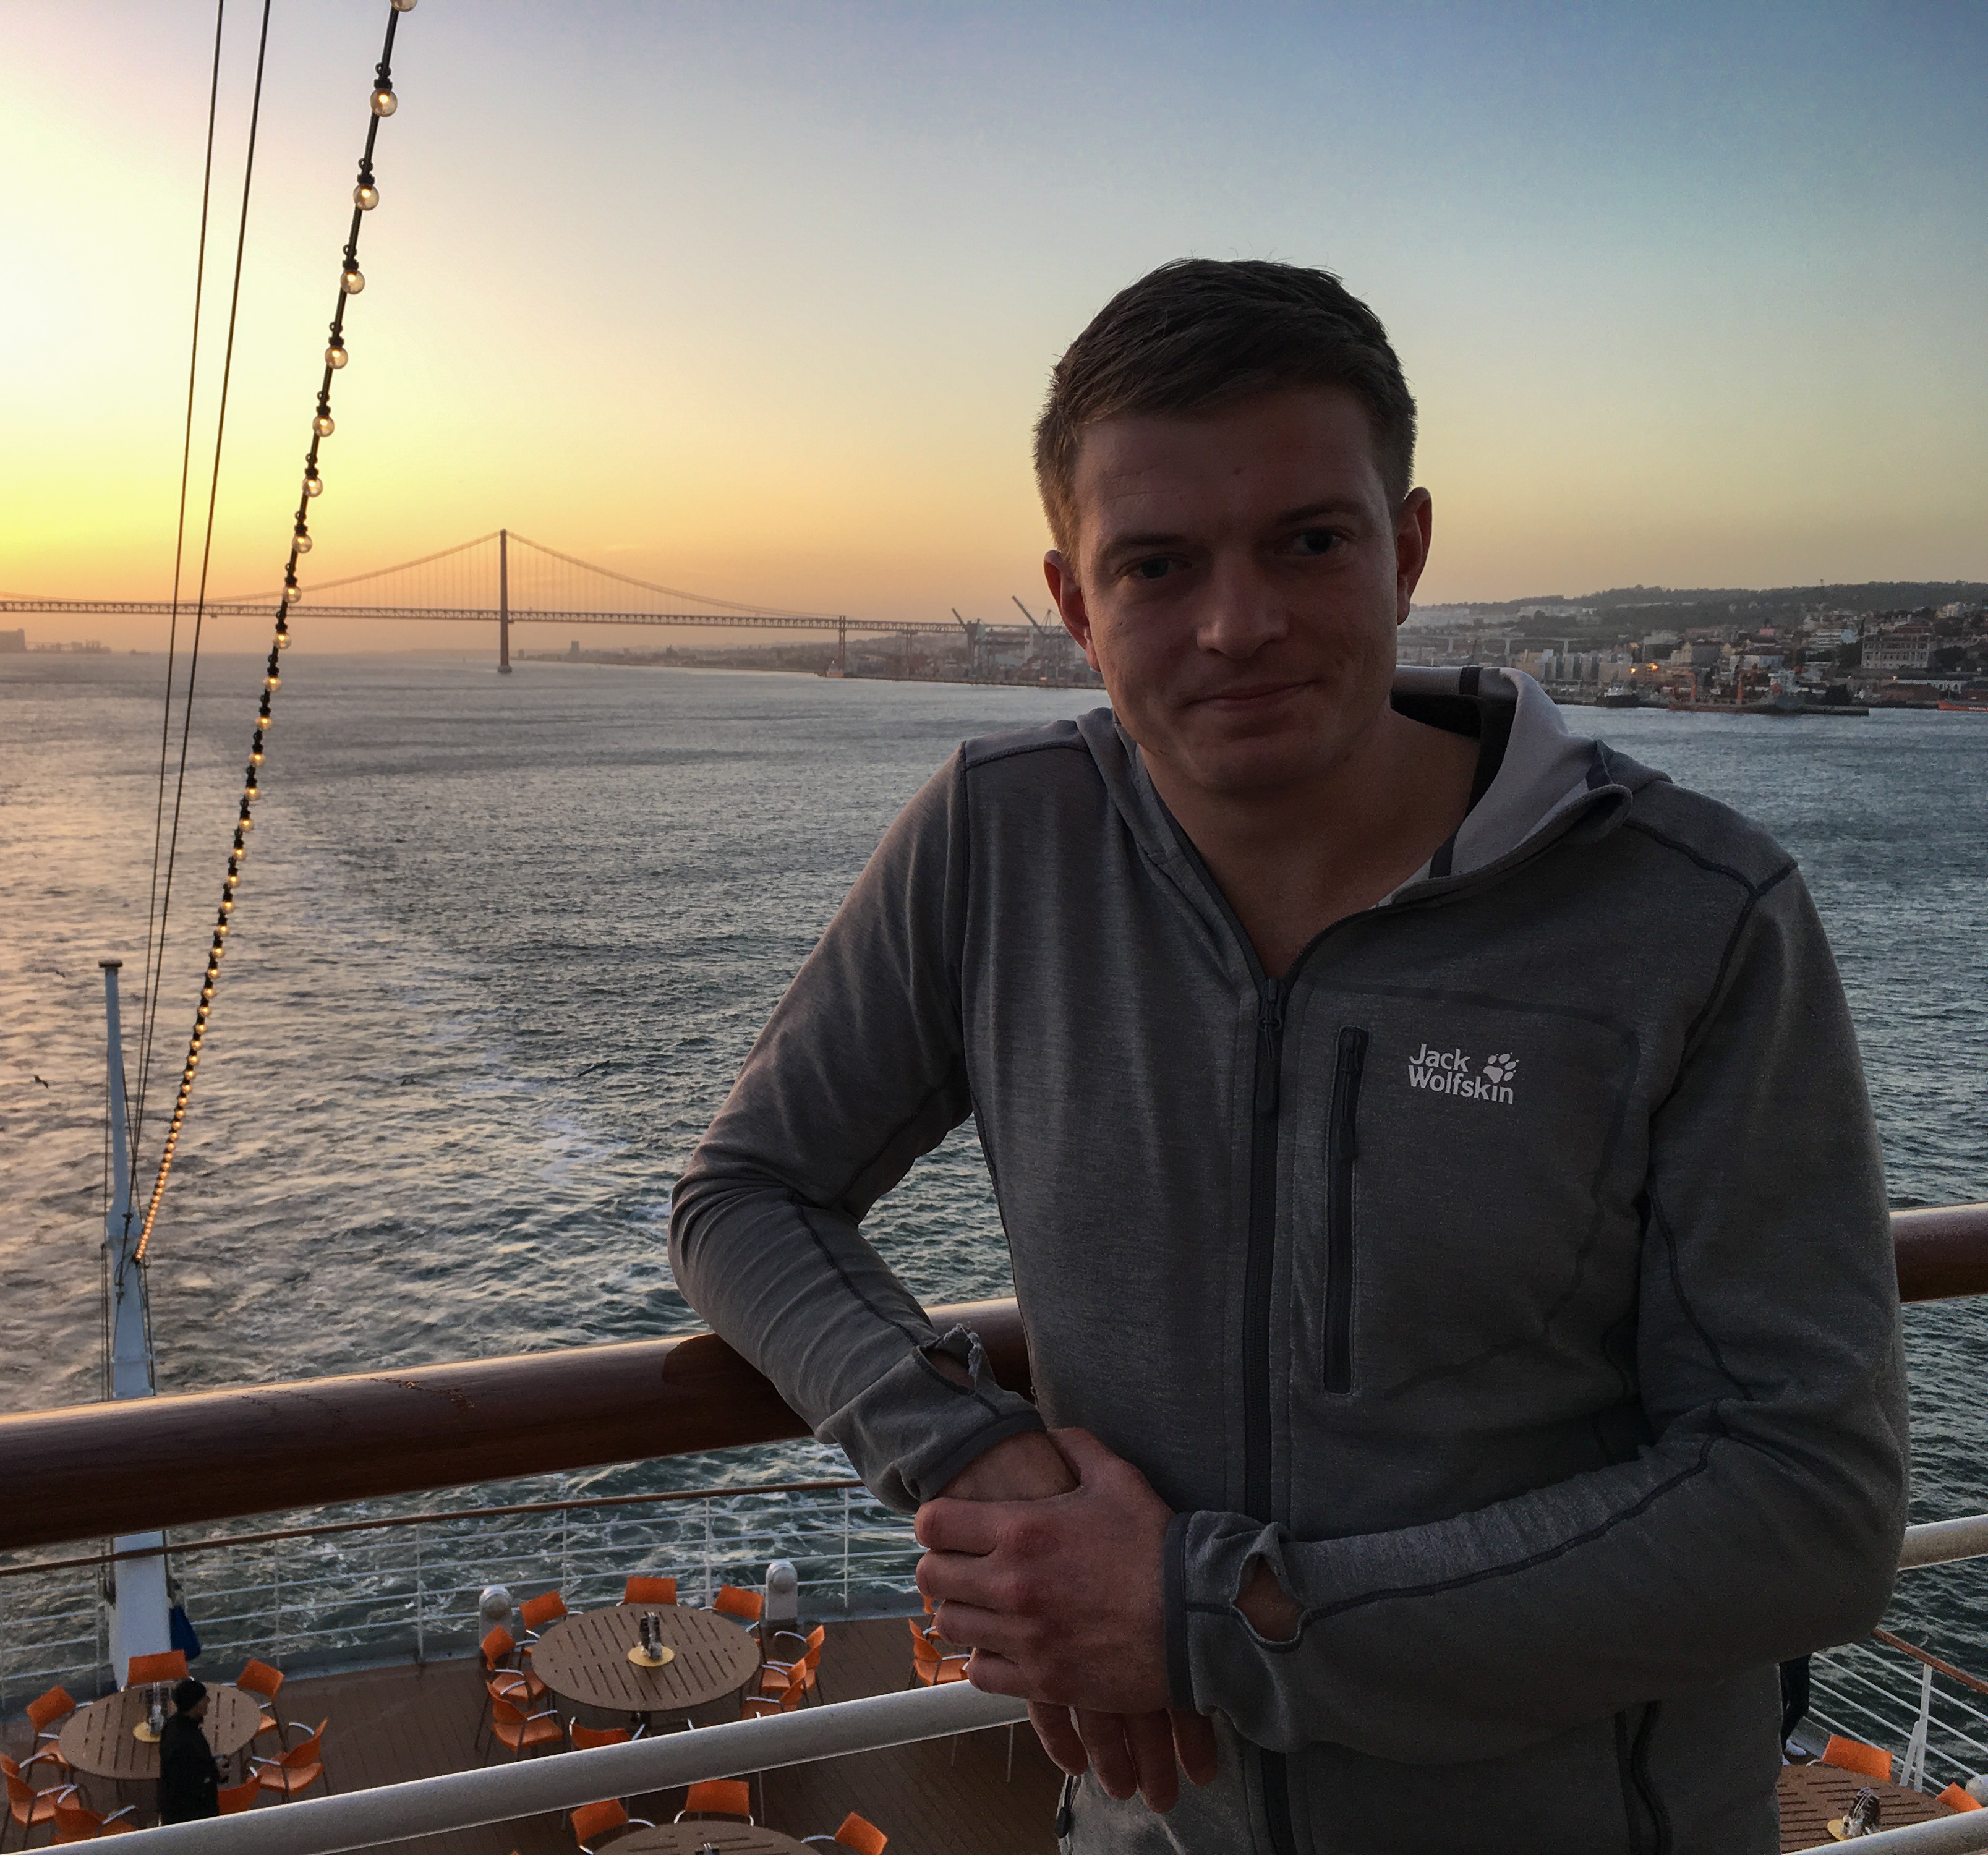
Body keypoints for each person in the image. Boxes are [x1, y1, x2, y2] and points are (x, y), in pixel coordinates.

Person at [668, 258, 1906, 1853]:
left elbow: (1805, 1502)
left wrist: (1214, 1616)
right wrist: (974, 1455)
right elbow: (743, 1193)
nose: (1234, 624)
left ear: (1406, 549)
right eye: (1156, 564)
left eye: (1307, 542)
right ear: (1072, 603)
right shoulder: (998, 843)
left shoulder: (1689, 913)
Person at [156, 1676, 219, 1825]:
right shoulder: (188, 1742)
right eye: (204, 1698)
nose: (208, 1701)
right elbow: (192, 1783)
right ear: (197, 1705)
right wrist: (217, 1773)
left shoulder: (172, 1726)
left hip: (172, 1809)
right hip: (193, 1816)